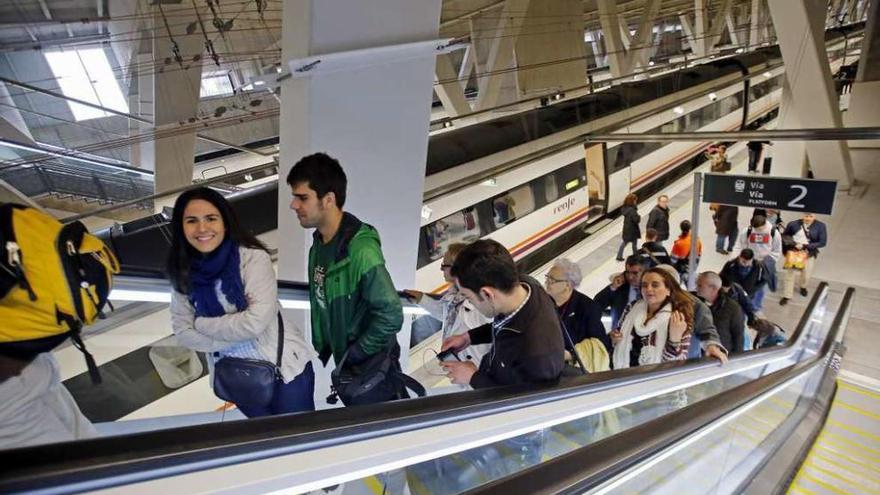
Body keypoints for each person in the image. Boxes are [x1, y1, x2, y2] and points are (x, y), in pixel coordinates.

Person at [168, 187, 317, 417]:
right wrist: (233, 332)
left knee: (300, 438)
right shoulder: (182, 272)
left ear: (225, 223)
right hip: (238, 377)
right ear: (181, 227)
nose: (202, 228)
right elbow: (182, 332)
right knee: (265, 440)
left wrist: (201, 325)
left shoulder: (252, 259)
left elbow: (254, 324)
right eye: (191, 221)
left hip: (285, 370)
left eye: (211, 218)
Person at [287, 153, 405, 404]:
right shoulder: (318, 245)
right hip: (347, 362)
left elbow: (391, 313)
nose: (293, 205)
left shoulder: (360, 250)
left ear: (328, 199)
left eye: (302, 197)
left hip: (368, 365)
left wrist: (357, 352)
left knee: (378, 427)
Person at [440, 240, 564, 388]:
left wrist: (473, 378)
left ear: (487, 294)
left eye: (468, 297)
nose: (470, 303)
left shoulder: (537, 357)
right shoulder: (526, 288)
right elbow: (504, 325)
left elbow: (519, 402)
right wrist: (468, 337)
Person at [404, 242, 491, 367]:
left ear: (457, 268)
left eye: (444, 265)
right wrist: (421, 299)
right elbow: (447, 315)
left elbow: (489, 335)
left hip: (476, 368)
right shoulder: (454, 295)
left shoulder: (480, 302)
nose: (441, 269)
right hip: (459, 362)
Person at [610, 267, 693, 369]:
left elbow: (674, 366)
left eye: (655, 285)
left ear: (668, 290)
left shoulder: (678, 317)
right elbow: (618, 333)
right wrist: (614, 337)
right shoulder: (632, 307)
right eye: (644, 285)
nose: (648, 289)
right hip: (623, 374)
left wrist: (674, 341)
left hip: (654, 380)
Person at [543, 258, 612, 359]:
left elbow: (600, 345)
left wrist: (572, 355)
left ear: (568, 285)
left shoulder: (588, 308)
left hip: (571, 368)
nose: (547, 282)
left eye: (552, 280)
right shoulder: (542, 301)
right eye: (547, 277)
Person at [733, 215, 781, 309]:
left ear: (765, 224)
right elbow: (740, 245)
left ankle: (756, 307)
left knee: (761, 288)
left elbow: (776, 250)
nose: (758, 231)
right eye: (756, 229)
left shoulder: (774, 233)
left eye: (760, 229)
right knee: (747, 285)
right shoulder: (747, 231)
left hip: (764, 264)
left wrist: (767, 261)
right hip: (749, 263)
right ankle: (746, 304)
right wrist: (738, 259)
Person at [780, 214, 827, 306]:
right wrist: (794, 244)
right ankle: (787, 295)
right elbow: (785, 236)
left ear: (814, 217)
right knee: (790, 275)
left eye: (810, 216)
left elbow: (822, 242)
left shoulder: (820, 226)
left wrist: (806, 246)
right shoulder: (793, 224)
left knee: (806, 274)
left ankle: (803, 286)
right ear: (802, 216)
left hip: (808, 253)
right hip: (794, 252)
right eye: (806, 216)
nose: (808, 219)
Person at [696, 272, 745, 355]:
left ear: (713, 289)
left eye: (700, 286)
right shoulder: (695, 303)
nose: (696, 288)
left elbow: (738, 337)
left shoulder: (732, 308)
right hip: (697, 356)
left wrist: (736, 360)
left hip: (719, 357)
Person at [595, 255, 644, 331]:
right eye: (628, 272)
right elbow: (596, 305)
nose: (630, 277)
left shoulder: (650, 290)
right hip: (618, 336)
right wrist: (613, 287)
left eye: (635, 273)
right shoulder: (619, 287)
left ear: (644, 272)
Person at [617, 193, 641, 261]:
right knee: (634, 245)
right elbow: (636, 220)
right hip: (633, 230)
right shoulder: (632, 210)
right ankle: (636, 257)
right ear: (632, 201)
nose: (636, 201)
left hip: (627, 228)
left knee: (624, 243)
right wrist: (639, 217)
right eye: (635, 200)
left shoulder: (625, 208)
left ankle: (619, 256)